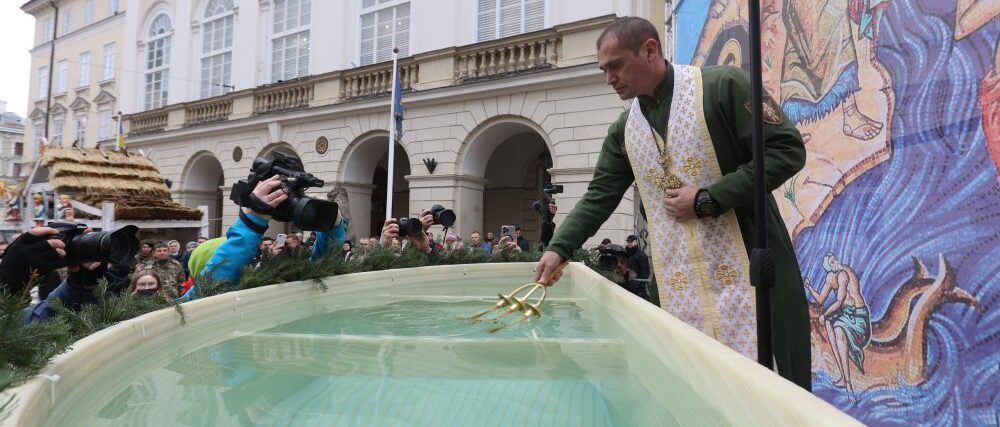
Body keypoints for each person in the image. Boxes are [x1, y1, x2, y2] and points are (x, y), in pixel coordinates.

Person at [534, 17, 810, 390]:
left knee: (769, 393)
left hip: (753, 274)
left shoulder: (724, 87)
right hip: (676, 287)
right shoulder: (623, 130)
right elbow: (600, 195)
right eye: (604, 70)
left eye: (616, 66)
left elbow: (786, 150)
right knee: (690, 391)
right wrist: (559, 249)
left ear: (650, 50)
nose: (609, 79)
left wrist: (710, 197)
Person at [804, 253, 870, 397]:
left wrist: (825, 314)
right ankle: (843, 376)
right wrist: (809, 288)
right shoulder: (831, 277)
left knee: (838, 330)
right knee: (828, 324)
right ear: (828, 267)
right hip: (846, 313)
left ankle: (849, 383)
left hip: (857, 316)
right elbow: (820, 299)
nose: (835, 261)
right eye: (831, 260)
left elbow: (839, 301)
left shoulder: (842, 274)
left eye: (834, 259)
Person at [622, 235, 650, 300]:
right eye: (628, 241)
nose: (629, 243)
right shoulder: (625, 253)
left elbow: (645, 273)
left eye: (631, 241)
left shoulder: (641, 255)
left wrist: (638, 285)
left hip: (638, 290)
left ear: (636, 242)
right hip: (626, 286)